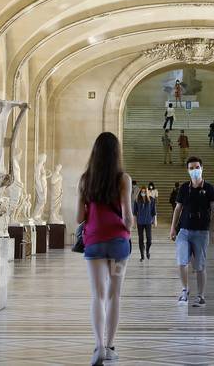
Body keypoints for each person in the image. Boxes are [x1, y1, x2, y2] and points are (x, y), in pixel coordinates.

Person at [77, 132, 134, 366]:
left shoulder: (85, 179)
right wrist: (125, 232)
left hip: (94, 241)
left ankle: (98, 347)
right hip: (119, 243)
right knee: (115, 294)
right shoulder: (124, 179)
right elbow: (129, 217)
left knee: (97, 295)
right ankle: (110, 346)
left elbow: (79, 216)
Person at [169, 156, 214, 308]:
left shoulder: (209, 188)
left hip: (201, 232)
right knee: (182, 262)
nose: (194, 170)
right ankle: (185, 290)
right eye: (191, 168)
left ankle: (201, 296)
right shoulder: (184, 188)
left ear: (201, 168)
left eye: (197, 167)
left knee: (200, 266)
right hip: (184, 230)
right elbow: (178, 209)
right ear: (187, 170)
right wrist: (173, 227)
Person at [133, 188, 156, 261]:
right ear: (140, 192)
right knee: (141, 239)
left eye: (144, 192)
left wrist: (155, 221)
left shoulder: (151, 200)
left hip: (148, 222)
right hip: (140, 222)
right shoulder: (137, 200)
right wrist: (134, 223)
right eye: (142, 192)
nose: (143, 193)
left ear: (147, 192)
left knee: (149, 239)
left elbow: (154, 212)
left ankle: (147, 251)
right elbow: (135, 213)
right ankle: (142, 255)